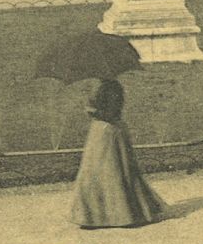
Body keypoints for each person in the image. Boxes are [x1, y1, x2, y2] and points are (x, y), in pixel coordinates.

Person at [70, 78, 167, 229]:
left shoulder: (108, 88)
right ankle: (117, 214)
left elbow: (109, 113)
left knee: (104, 171)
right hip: (107, 132)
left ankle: (105, 217)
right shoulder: (111, 87)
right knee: (113, 170)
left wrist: (91, 109)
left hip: (106, 131)